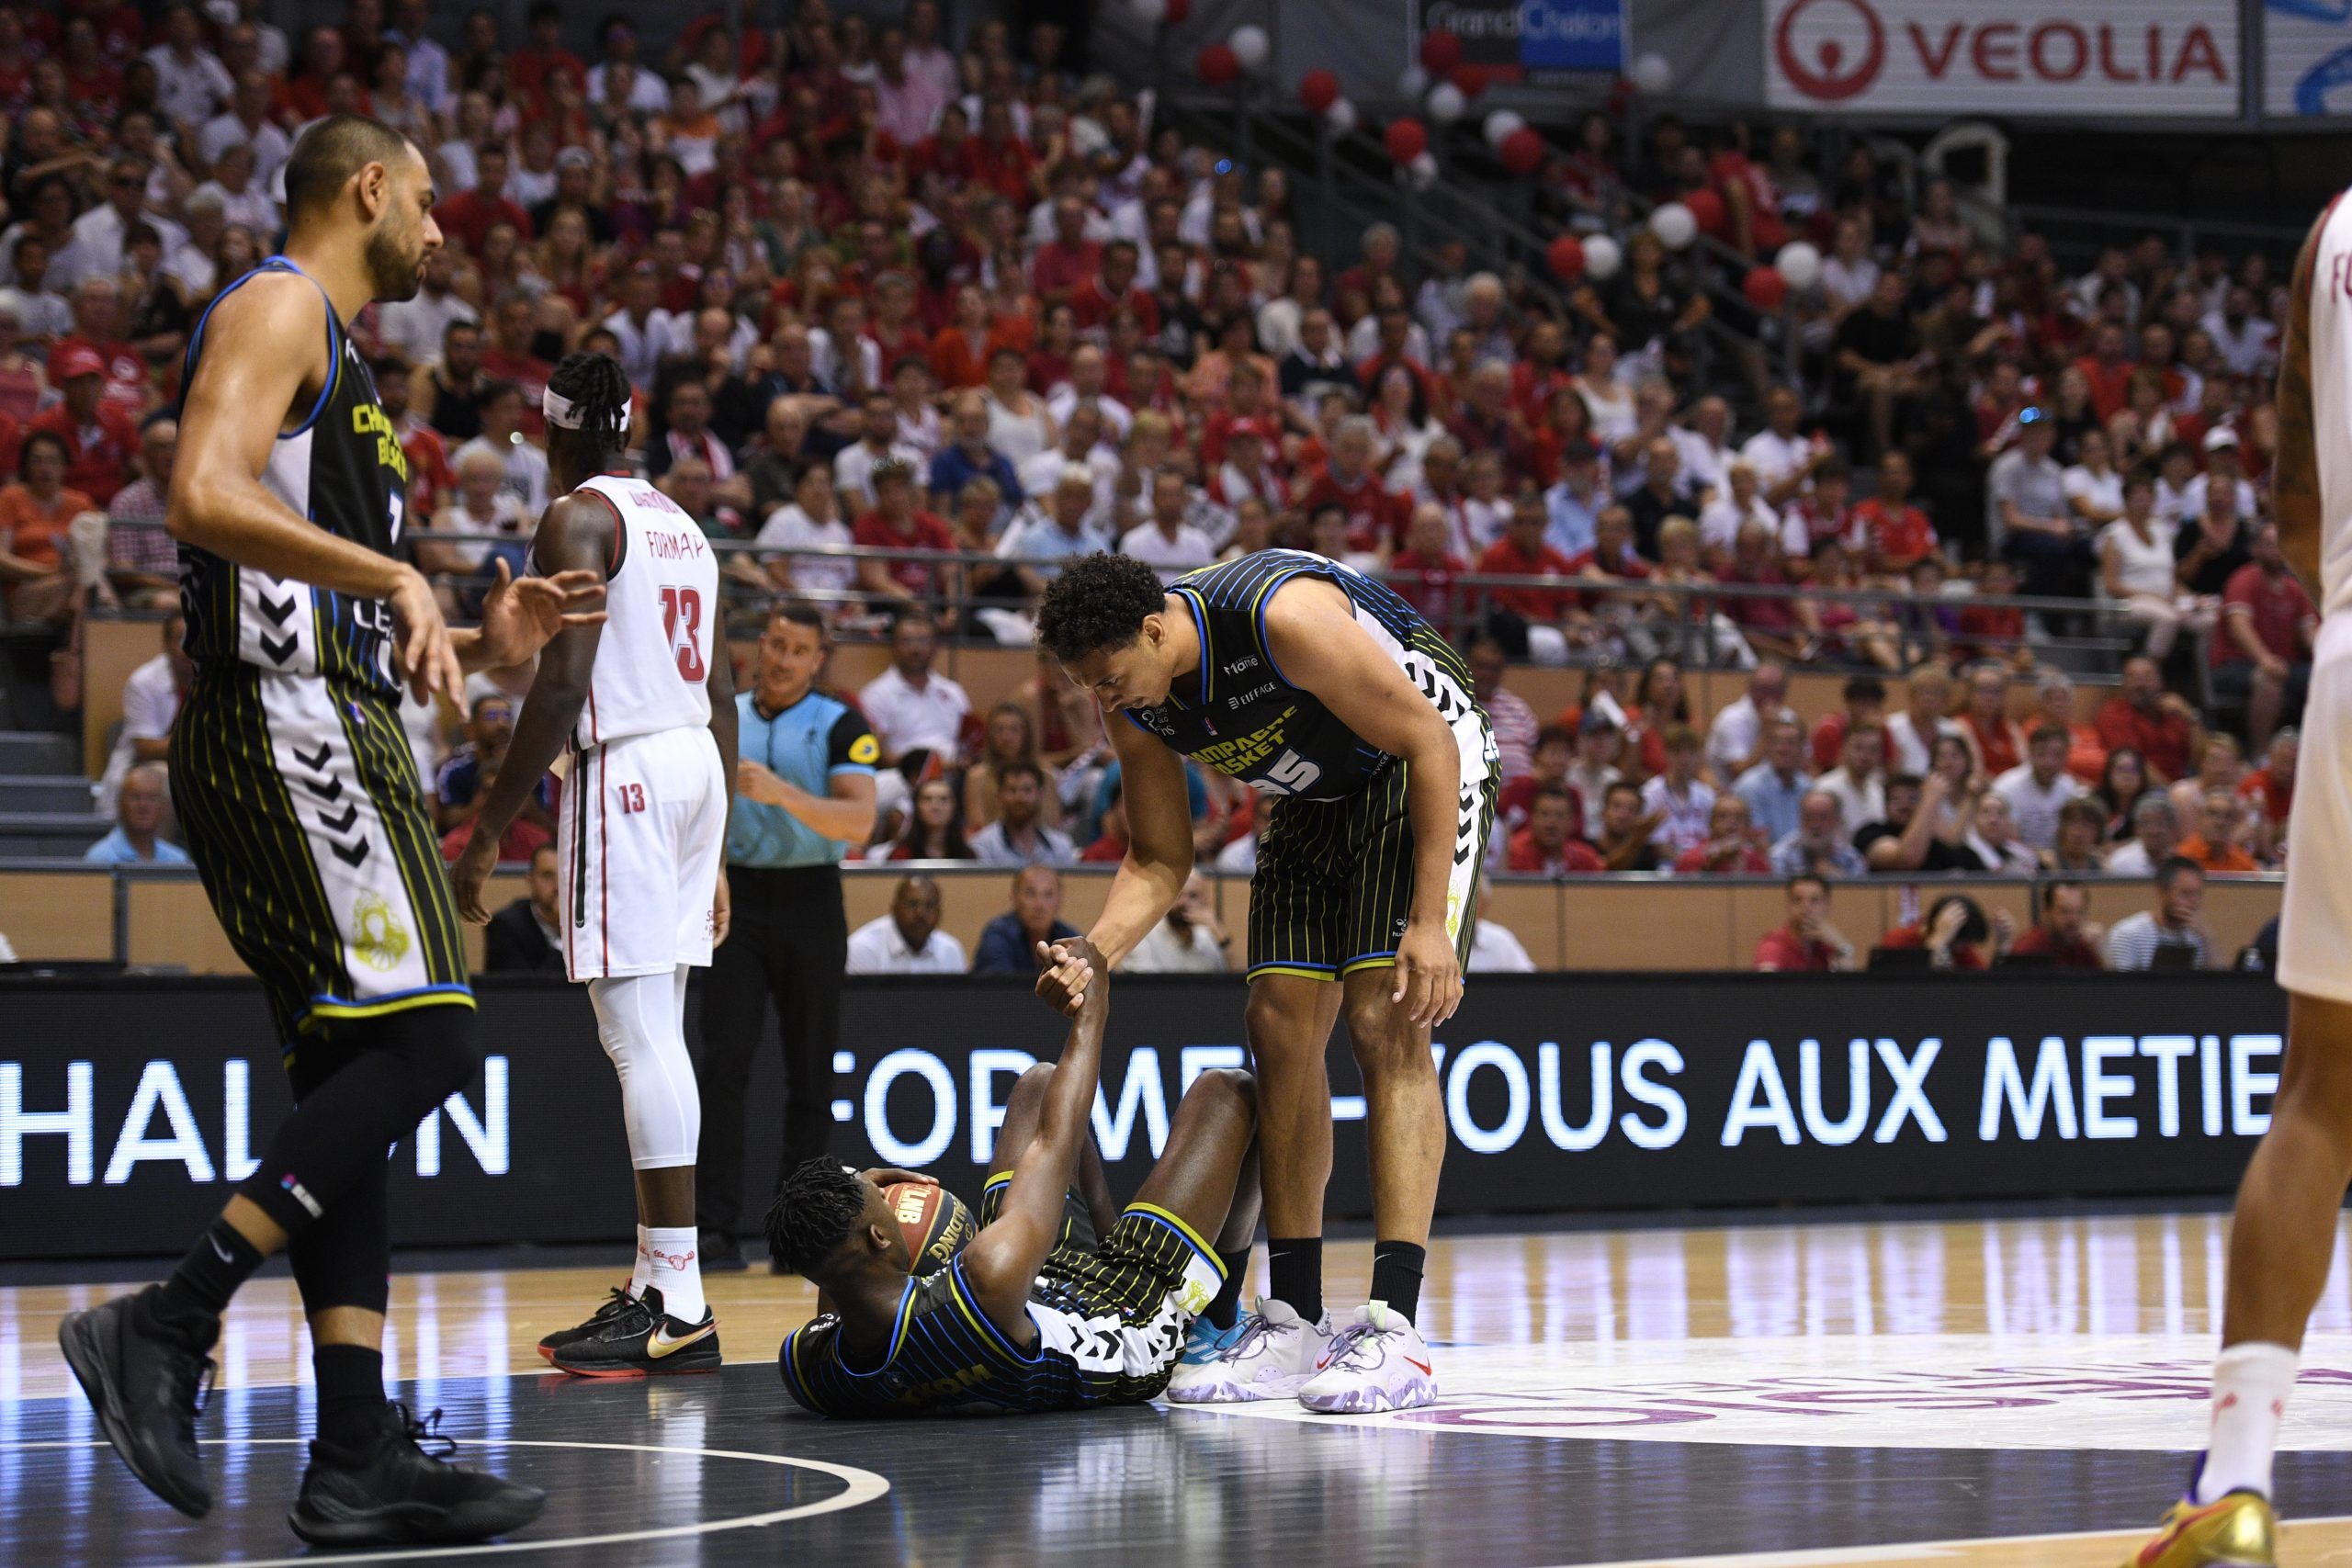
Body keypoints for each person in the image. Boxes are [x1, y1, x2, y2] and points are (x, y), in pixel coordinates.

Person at [58, 115, 584, 1547]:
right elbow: (199, 495)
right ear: (367, 189)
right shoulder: (283, 301)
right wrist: (393, 570)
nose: (439, 233)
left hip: (318, 718)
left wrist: (476, 638)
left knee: (362, 1085)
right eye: (426, 206)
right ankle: (168, 1318)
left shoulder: (347, 374)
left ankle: (352, 1447)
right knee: (428, 1042)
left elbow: (320, 591)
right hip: (287, 730)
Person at [1033, 548, 1496, 1412]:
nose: (1103, 699)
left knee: (1380, 1019)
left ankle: (1397, 1328)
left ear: (1155, 627)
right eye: (1085, 686)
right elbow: (1161, 857)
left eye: (1107, 678)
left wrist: (1429, 921)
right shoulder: (1133, 699)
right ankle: (1294, 1321)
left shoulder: (1278, 618)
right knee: (1277, 1024)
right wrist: (1094, 950)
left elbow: (1429, 739)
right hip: (1314, 794)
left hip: (1417, 760)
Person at [2124, 198, 2352, 1566]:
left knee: (2322, 1089)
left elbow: (2296, 493)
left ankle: (2242, 1480)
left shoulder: (2329, 226)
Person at [449, 352, 738, 1379]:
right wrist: (719, 844)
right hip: (694, 761)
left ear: (550, 429)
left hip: (624, 770)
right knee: (659, 1030)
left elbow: (562, 683)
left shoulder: (576, 517)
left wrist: (487, 834)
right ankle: (666, 1289)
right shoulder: (683, 523)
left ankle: (680, 1299)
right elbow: (728, 687)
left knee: (634, 1036)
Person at [774, 940, 1264, 1416]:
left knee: (1037, 1084)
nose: (887, 1192)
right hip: (1126, 1326)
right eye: (880, 1199)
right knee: (1230, 1092)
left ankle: (1118, 1245)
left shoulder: (809, 1369)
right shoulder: (984, 1279)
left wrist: (852, 1209)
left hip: (1030, 1299)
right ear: (880, 1236)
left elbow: (834, 1304)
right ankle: (1216, 1321)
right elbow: (1056, 1140)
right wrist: (1094, 1007)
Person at [687, 604, 880, 1269]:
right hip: (734, 893)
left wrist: (780, 792)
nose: (782, 658)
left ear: (817, 658)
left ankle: (797, 1235)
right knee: (723, 1067)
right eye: (774, 644)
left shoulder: (839, 723)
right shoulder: (723, 712)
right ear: (759, 644)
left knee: (811, 1073)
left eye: (798, 649)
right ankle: (712, 1229)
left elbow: (859, 822)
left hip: (810, 899)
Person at [2215, 521, 2317, 752]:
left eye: (2280, 545)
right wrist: (2264, 659)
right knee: (2268, 678)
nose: (2276, 550)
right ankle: (2260, 755)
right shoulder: (2244, 579)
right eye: (2269, 544)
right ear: (2256, 549)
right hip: (2236, 664)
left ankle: (2320, 751)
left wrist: (2328, 660)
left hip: (2284, 664)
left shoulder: (2294, 588)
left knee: (2328, 676)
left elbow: (2309, 632)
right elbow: (2239, 626)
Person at [859, 610, 972, 765]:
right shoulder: (876, 694)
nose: (915, 649)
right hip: (902, 775)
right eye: (906, 641)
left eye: (923, 641)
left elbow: (968, 741)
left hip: (954, 772)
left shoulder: (953, 691)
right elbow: (874, 751)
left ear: (935, 646)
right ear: (893, 646)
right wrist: (924, 769)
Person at [1991, 723, 2087, 852]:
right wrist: (2041, 856)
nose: (2049, 762)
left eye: (2057, 755)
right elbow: (2004, 840)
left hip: (2058, 863)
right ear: (2030, 753)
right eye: (2041, 753)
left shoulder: (2069, 788)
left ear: (2066, 757)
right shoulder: (2006, 786)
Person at [2104, 855, 2211, 972]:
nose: (2193, 902)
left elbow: (2218, 984)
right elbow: (2123, 987)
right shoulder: (2128, 934)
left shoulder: (2196, 935)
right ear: (2161, 891)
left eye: (2198, 894)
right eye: (2185, 894)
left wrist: (2207, 938)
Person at [844, 874, 967, 974]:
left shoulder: (951, 951)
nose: (921, 914)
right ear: (894, 908)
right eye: (912, 904)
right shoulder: (863, 949)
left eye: (930, 906)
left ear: (940, 912)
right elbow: (860, 1003)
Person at [973, 865, 1080, 973]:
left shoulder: (1069, 937)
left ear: (1059, 900)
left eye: (1048, 895)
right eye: (1031, 894)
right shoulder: (998, 935)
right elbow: (998, 985)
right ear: (1014, 897)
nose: (1040, 905)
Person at [970, 759, 1077, 866]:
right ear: (999, 795)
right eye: (1012, 790)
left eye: (1027, 790)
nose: (1020, 798)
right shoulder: (983, 845)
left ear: (1040, 794)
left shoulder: (1061, 846)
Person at [1122, 870, 1231, 973]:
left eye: (1193, 896)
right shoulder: (1143, 937)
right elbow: (1145, 989)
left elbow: (1235, 985)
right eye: (1177, 895)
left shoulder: (1208, 937)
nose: (1184, 903)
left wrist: (1220, 934)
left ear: (1205, 901)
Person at [84, 762, 191, 865]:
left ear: (164, 806)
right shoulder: (100, 858)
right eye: (135, 797)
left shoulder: (177, 859)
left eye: (152, 798)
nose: (143, 806)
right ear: (120, 804)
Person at [482, 840, 565, 973]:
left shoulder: (594, 924)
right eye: (547, 876)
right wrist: (565, 937)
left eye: (565, 876)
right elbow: (521, 990)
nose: (558, 887)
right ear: (530, 880)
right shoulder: (506, 927)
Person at [1733, 716, 1814, 844]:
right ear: (1768, 748)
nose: (1783, 749)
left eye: (1791, 743)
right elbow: (1758, 843)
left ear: (1802, 749)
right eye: (1777, 743)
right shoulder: (1750, 787)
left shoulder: (1807, 787)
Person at [1753, 874, 1855, 971]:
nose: (1806, 908)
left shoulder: (1826, 944)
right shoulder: (1773, 946)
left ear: (1827, 906)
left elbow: (1850, 986)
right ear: (1788, 905)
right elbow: (1767, 986)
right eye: (1797, 900)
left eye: (1814, 900)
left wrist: (1841, 945)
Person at [1770, 788, 1867, 877]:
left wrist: (1839, 880)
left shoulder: (1851, 859)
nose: (1815, 824)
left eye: (1823, 817)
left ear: (1837, 820)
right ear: (1800, 819)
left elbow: (1861, 894)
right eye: (1809, 817)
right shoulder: (1781, 855)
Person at [2007, 881, 2105, 968]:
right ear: (2046, 912)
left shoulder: (2086, 947)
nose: (2073, 919)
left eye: (2080, 912)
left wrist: (2100, 953)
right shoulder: (2028, 949)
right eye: (2065, 912)